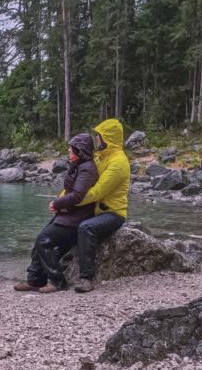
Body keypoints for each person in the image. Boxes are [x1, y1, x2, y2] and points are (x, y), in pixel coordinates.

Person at [15, 134, 98, 293]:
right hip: (69, 214)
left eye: (71, 147)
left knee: (44, 240)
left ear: (79, 150)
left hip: (77, 218)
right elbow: (69, 192)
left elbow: (78, 195)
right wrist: (59, 204)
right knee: (39, 242)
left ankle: (58, 281)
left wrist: (57, 203)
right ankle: (35, 280)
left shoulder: (87, 167)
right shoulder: (78, 164)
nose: (68, 149)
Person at [70, 119, 131, 293]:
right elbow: (81, 186)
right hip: (95, 210)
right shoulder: (100, 157)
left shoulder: (118, 162)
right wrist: (62, 199)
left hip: (114, 213)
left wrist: (69, 202)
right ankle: (49, 274)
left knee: (86, 227)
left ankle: (87, 278)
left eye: (98, 136)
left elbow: (96, 192)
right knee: (64, 222)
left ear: (106, 138)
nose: (96, 139)